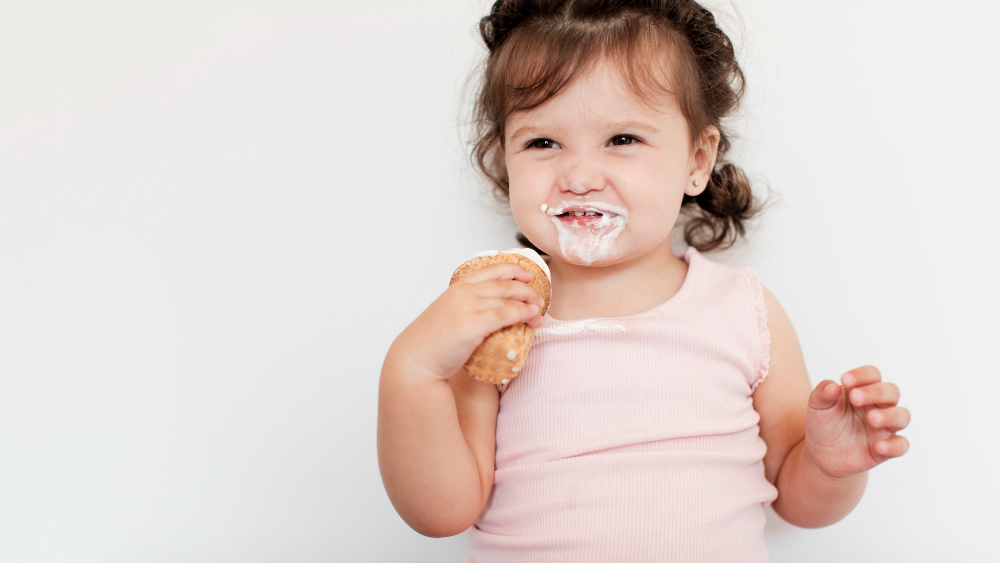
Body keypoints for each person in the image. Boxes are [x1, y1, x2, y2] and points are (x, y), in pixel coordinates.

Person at [377, 1, 911, 561]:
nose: (579, 176)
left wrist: (829, 466)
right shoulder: (495, 317)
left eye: (623, 139)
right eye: (543, 143)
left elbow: (798, 503)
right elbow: (441, 513)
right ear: (505, 157)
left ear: (696, 161)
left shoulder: (744, 310)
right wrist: (412, 371)